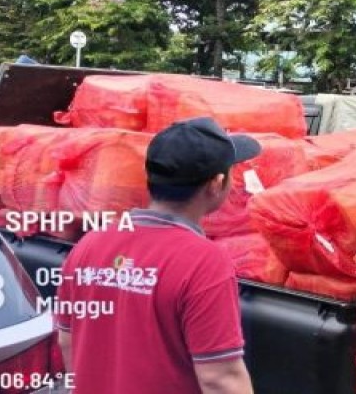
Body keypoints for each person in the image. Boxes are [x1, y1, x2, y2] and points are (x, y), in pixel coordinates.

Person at [56, 117, 259, 394]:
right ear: (216, 183)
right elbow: (220, 378)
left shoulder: (90, 244)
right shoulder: (204, 262)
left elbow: (68, 340)